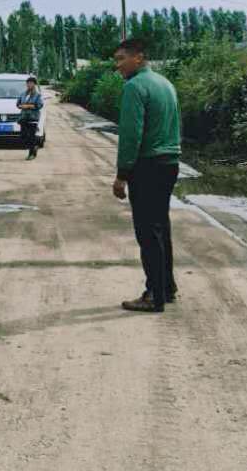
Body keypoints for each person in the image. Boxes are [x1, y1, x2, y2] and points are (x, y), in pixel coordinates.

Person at [111, 38, 181, 312]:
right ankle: (167, 287)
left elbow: (131, 135)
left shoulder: (134, 87)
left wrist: (122, 175)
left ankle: (154, 294)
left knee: (148, 232)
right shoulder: (165, 84)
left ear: (138, 58)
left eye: (121, 59)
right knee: (161, 226)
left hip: (148, 165)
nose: (117, 66)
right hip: (170, 163)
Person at [16, 76, 44, 160]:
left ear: (34, 84)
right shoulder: (23, 94)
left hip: (33, 118)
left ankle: (31, 154)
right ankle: (34, 146)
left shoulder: (37, 95)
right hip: (23, 117)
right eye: (28, 83)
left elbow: (40, 105)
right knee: (23, 136)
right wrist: (21, 106)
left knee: (31, 136)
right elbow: (18, 104)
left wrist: (29, 106)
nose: (29, 85)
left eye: (31, 83)